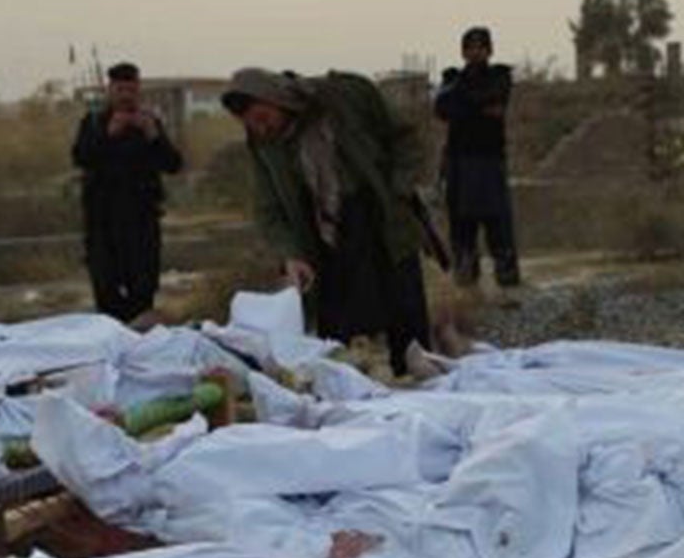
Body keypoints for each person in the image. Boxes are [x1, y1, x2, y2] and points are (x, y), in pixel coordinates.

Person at [220, 66, 434, 375]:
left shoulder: (345, 96)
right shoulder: (265, 145)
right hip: (325, 239)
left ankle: (416, 388)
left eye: (264, 119)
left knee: (405, 325)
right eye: (252, 125)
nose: (262, 130)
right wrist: (291, 254)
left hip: (381, 220)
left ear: (277, 99)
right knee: (340, 343)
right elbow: (270, 211)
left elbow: (405, 139)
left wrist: (398, 189)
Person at [72, 62, 183, 323]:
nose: (126, 96)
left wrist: (153, 135)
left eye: (131, 90)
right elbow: (82, 158)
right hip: (103, 221)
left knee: (142, 290)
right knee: (106, 288)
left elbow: (173, 164)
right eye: (120, 89)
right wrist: (108, 135)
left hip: (141, 219)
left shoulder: (149, 123)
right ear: (110, 90)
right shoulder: (93, 122)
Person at [433, 25, 520, 289]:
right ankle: (467, 286)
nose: (475, 53)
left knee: (498, 227)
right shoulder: (452, 79)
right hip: (460, 163)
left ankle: (507, 285)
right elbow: (441, 109)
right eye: (470, 48)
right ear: (463, 52)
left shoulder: (499, 76)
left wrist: (464, 105)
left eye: (480, 47)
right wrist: (476, 106)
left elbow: (494, 98)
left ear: (489, 50)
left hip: (488, 161)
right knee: (462, 228)